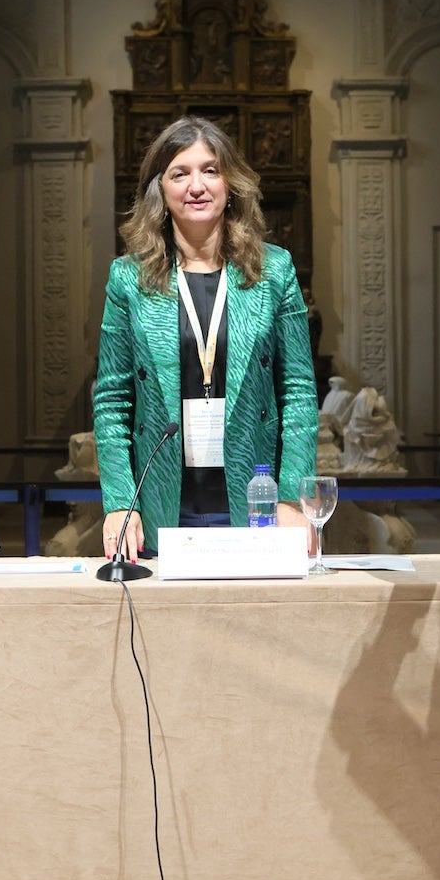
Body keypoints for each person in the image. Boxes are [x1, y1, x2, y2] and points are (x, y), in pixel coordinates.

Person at [93, 116, 318, 560]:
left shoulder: (275, 271)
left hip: (257, 499)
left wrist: (293, 496)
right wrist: (120, 502)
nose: (196, 186)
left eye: (210, 170)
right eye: (180, 173)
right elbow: (112, 400)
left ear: (230, 183)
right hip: (160, 502)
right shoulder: (127, 279)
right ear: (161, 189)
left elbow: (298, 391)